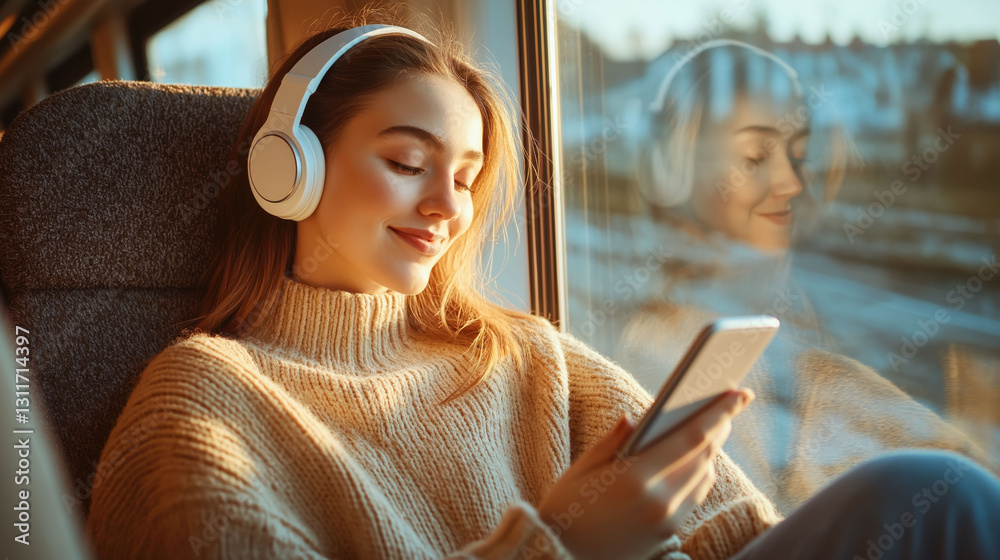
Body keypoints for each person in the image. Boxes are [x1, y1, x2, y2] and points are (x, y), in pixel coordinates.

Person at [83, 12, 1000, 560]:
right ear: (292, 168)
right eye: (408, 161)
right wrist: (561, 545)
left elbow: (738, 531)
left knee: (935, 491)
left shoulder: (528, 356)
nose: (448, 206)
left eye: (469, 174)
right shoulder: (203, 399)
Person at [618, 40, 999, 514]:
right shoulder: (669, 348)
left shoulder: (783, 302)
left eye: (797, 156)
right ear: (673, 169)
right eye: (756, 158)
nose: (793, 183)